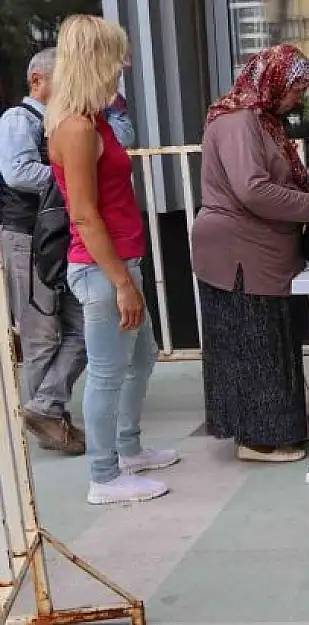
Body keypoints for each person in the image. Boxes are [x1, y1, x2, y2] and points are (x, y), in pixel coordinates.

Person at [191, 44, 309, 463]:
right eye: (294, 90)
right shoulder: (237, 123)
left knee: (269, 342)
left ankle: (274, 430)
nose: (298, 100)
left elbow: (291, 183)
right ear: (272, 82)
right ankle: (258, 439)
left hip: (261, 252)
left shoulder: (263, 123)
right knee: (254, 345)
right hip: (238, 255)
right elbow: (254, 190)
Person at [47, 15, 178, 504]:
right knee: (107, 370)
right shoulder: (77, 128)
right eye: (116, 57)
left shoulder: (93, 120)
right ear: (94, 61)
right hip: (103, 268)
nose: (123, 66)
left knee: (139, 359)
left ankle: (127, 451)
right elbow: (83, 214)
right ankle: (104, 477)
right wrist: (122, 282)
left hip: (118, 262)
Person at [0, 48, 137, 457]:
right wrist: (75, 174)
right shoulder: (18, 120)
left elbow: (123, 143)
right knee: (41, 329)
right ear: (37, 81)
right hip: (27, 236)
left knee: (79, 327)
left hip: (61, 234)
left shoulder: (76, 121)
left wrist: (115, 105)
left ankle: (45, 408)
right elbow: (17, 172)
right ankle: (51, 422)